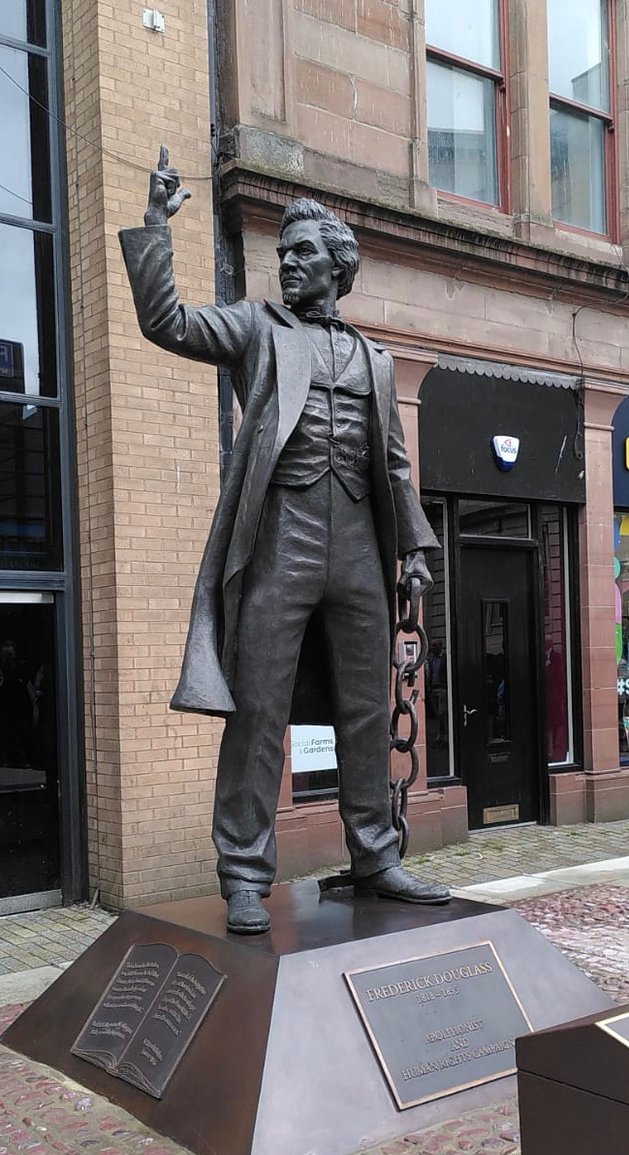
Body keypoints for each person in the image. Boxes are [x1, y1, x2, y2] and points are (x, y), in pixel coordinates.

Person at [119, 146, 450, 933]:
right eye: (282, 254)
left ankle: (376, 854)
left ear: (337, 266)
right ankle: (242, 871)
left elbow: (393, 468)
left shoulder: (374, 358)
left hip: (361, 554)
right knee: (258, 713)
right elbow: (166, 321)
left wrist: (417, 553)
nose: (286, 266)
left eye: (302, 254)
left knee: (367, 711)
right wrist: (155, 225)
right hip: (282, 542)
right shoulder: (256, 330)